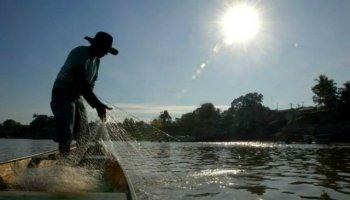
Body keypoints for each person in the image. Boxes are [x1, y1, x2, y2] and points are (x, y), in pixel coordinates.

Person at [50, 31, 118, 156]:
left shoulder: (96, 62)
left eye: (106, 51)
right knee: (66, 130)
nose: (105, 54)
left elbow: (90, 85)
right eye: (104, 49)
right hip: (62, 92)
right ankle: (64, 162)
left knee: (84, 132)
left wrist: (97, 104)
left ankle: (77, 158)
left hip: (77, 95)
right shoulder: (80, 52)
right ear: (95, 45)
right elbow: (80, 80)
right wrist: (97, 104)